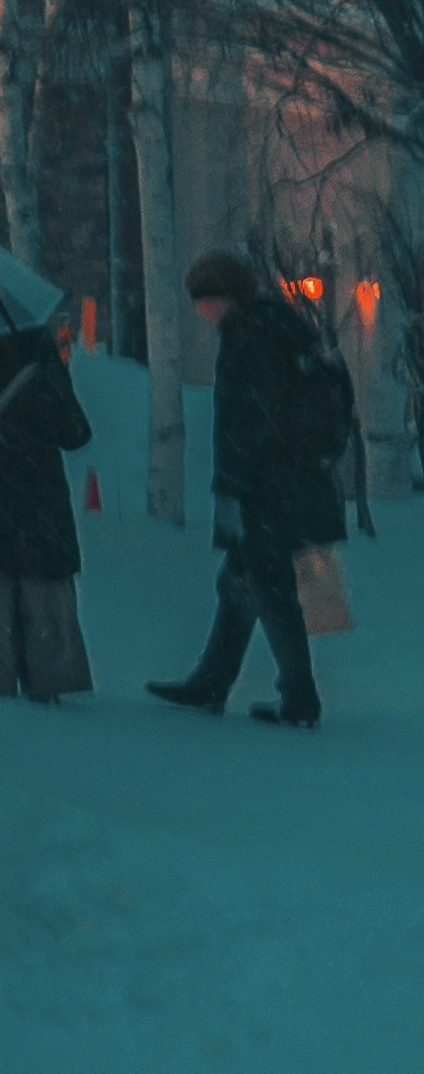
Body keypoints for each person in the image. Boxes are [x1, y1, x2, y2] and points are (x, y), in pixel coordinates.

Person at [154, 252, 347, 725]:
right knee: (241, 581)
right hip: (297, 481)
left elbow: (252, 419)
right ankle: (211, 683)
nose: (201, 311)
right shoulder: (280, 326)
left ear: (223, 297)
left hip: (271, 487)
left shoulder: (250, 337)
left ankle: (299, 698)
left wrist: (235, 487)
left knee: (269, 586)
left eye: (204, 300)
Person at [0, 325, 96, 702]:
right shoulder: (42, 372)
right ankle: (46, 690)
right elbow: (77, 433)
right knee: (45, 608)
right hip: (39, 510)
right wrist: (53, 375)